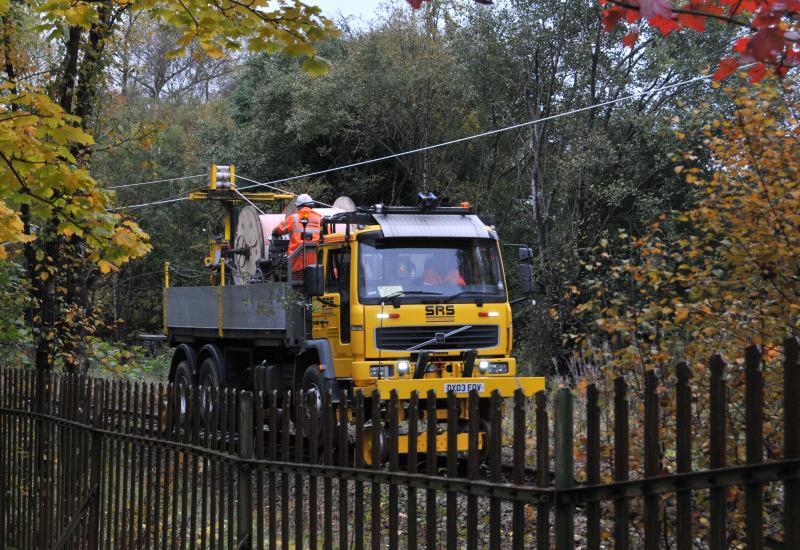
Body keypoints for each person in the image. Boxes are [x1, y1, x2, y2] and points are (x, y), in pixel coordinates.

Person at [272, 194, 322, 275]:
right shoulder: (321, 219)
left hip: (298, 263)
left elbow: (277, 230)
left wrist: (274, 234)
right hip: (318, 264)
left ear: (298, 207)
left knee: (297, 286)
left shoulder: (294, 218)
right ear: (312, 205)